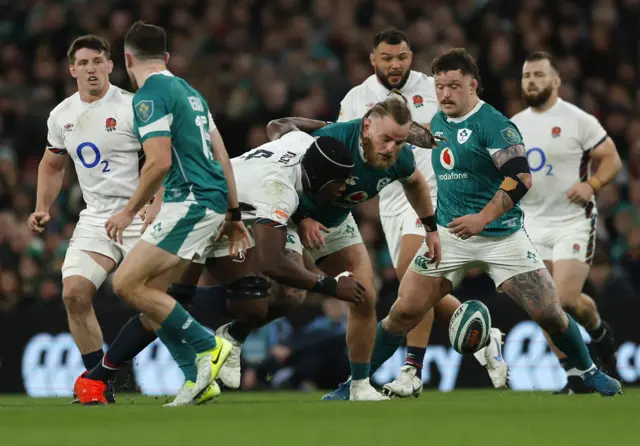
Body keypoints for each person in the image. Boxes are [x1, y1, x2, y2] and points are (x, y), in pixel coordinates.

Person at [324, 48, 621, 399]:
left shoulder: (494, 125)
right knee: (402, 311)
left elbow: (521, 178)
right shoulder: (438, 121)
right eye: (440, 86)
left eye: (454, 85)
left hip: (502, 236)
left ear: (473, 86)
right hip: (450, 235)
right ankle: (356, 383)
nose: (445, 94)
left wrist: (484, 218)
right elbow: (421, 136)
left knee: (551, 313)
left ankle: (589, 371)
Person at [79, 131, 366, 399]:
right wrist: (331, 286)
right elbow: (270, 261)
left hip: (237, 210)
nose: (343, 189)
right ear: (318, 176)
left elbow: (281, 125)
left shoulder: (303, 143)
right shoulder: (278, 191)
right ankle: (102, 375)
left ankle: (228, 339)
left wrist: (303, 215)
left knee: (280, 297)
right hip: (200, 209)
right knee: (163, 298)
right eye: (339, 182)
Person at [73, 21, 250, 405]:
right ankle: (197, 379)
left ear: (126, 58)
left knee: (125, 284)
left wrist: (128, 211)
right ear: (167, 57)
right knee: (152, 297)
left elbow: (158, 162)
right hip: (210, 202)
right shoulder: (190, 93)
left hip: (192, 201)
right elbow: (222, 155)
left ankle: (209, 346)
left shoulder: (149, 96)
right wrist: (234, 214)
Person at [336, 27, 508, 397]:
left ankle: (412, 370)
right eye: (386, 58)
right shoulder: (356, 99)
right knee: (412, 284)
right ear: (373, 60)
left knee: (413, 273)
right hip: (390, 199)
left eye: (402, 57)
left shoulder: (435, 87)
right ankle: (482, 336)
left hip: (433, 189)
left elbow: (469, 121)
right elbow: (344, 145)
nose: (395, 65)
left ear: (411, 57)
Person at [267, 95, 441, 401]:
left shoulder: (398, 158)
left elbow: (415, 183)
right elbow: (282, 176)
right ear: (366, 127)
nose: (391, 149)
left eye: (399, 142)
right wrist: (304, 216)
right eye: (385, 139)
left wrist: (430, 229)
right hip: (288, 210)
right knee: (288, 295)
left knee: (364, 295)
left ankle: (359, 385)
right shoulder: (331, 141)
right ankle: (235, 336)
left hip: (333, 219)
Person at [27, 35, 144, 404]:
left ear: (111, 65)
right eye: (84, 63)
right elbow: (51, 163)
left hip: (142, 216)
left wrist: (155, 201)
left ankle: (195, 364)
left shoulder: (133, 107)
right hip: (97, 219)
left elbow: (163, 159)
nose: (91, 68)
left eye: (98, 61)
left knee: (157, 301)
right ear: (72, 69)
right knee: (74, 294)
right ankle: (99, 382)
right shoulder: (61, 115)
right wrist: (43, 206)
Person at [511, 51, 622, 393]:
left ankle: (599, 330)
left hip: (572, 221)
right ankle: (573, 374)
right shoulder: (513, 123)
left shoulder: (577, 119)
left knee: (566, 299)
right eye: (527, 75)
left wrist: (592, 185)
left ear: (555, 81)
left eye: (539, 75)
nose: (532, 81)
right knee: (543, 305)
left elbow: (612, 159)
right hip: (531, 222)